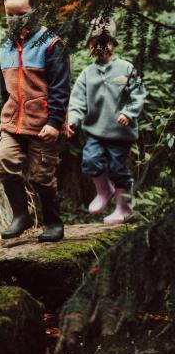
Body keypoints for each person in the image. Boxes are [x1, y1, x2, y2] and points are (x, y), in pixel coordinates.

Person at [0, 0, 70, 243]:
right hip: (13, 121)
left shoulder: (51, 45)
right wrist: (4, 114)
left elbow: (60, 88)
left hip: (43, 123)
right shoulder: (5, 47)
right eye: (10, 14)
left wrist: (55, 122)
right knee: (4, 162)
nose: (14, 20)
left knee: (41, 176)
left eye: (21, 14)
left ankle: (52, 222)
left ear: (36, 12)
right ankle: (20, 216)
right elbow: (5, 88)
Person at [65, 18, 146, 225]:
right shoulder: (87, 73)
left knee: (119, 169)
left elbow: (138, 94)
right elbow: (77, 100)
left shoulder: (126, 68)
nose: (100, 47)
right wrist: (73, 120)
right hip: (95, 131)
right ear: (88, 46)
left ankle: (124, 208)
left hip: (120, 132)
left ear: (114, 43)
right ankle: (104, 190)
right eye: (95, 42)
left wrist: (128, 113)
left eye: (105, 41)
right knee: (90, 161)